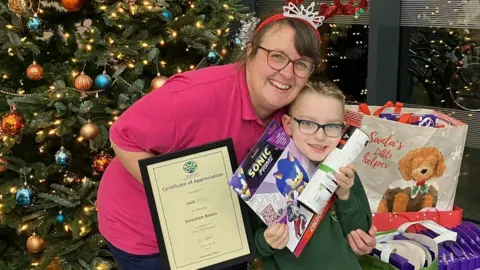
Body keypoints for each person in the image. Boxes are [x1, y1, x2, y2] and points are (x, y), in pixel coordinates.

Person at [96, 3, 377, 269]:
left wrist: (359, 225)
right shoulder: (194, 96)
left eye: (301, 64)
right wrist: (183, 200)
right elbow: (123, 137)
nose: (287, 73)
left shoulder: (295, 111)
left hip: (227, 233)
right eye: (276, 56)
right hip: (148, 235)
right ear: (251, 51)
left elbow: (319, 163)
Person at [251, 80, 372, 269]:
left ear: (343, 128)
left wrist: (345, 195)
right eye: (307, 123)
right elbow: (252, 242)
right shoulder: (266, 176)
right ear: (288, 125)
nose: (320, 136)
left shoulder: (344, 173)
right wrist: (267, 241)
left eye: (332, 126)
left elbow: (361, 232)